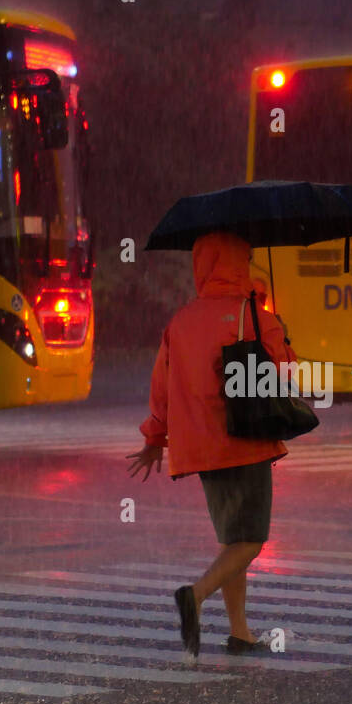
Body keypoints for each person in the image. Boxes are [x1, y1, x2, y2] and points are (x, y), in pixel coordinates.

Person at [127, 230, 297, 659]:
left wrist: (154, 438)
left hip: (201, 448)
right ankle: (195, 594)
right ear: (239, 263)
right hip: (245, 441)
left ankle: (241, 632)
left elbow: (161, 388)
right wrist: (282, 336)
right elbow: (284, 372)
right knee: (251, 539)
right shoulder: (255, 315)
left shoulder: (180, 322)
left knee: (232, 539)